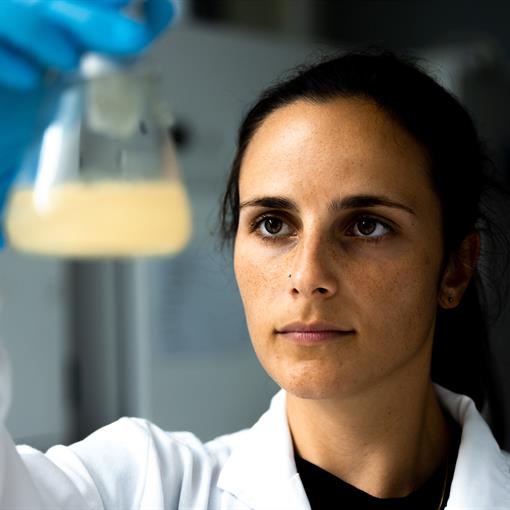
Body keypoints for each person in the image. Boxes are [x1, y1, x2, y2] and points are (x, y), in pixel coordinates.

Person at [0, 2, 509, 509]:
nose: (308, 275)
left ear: (455, 268)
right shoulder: (142, 486)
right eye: (273, 224)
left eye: (366, 226)